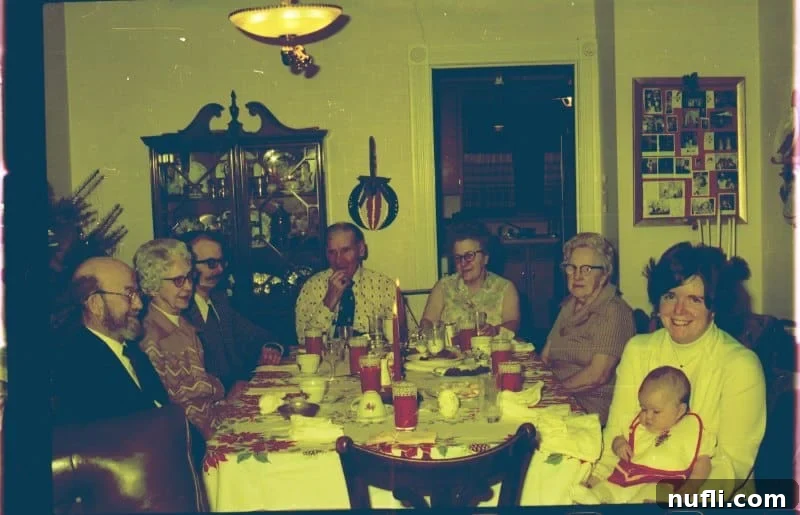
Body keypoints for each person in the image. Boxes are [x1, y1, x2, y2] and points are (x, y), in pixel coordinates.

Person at [594, 242, 765, 499]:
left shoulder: (741, 365)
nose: (678, 310)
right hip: (634, 486)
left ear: (714, 306)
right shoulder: (638, 350)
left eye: (695, 299)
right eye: (670, 296)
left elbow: (731, 466)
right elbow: (616, 434)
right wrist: (595, 483)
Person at [134, 239, 239, 439]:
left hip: (212, 423)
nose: (189, 287)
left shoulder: (183, 324)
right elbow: (171, 408)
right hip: (192, 439)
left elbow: (201, 386)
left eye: (189, 277)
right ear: (152, 286)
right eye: (178, 281)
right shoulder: (151, 336)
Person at [51, 257, 168, 425]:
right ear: (95, 304)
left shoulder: (133, 351)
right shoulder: (77, 364)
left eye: (137, 294)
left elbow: (163, 410)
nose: (139, 305)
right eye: (129, 294)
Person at [573, 366, 712, 504]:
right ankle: (590, 499)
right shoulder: (636, 425)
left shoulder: (691, 430)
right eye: (644, 408)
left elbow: (703, 462)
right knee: (605, 490)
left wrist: (692, 485)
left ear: (680, 410)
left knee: (657, 493)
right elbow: (618, 438)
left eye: (656, 411)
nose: (648, 416)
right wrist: (619, 444)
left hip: (660, 483)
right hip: (623, 480)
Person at [541, 233, 635, 425]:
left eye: (587, 269)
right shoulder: (569, 305)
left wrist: (552, 392)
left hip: (590, 407)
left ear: (604, 274)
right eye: (571, 268)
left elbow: (597, 376)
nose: (577, 276)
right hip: (561, 399)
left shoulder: (615, 311)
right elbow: (545, 357)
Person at [180, 231, 282, 391]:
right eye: (211, 263)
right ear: (189, 267)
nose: (220, 270)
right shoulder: (181, 311)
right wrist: (227, 389)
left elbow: (257, 336)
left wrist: (272, 348)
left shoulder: (219, 302)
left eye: (222, 262)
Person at [295, 222, 396, 343]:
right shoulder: (312, 287)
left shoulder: (384, 286)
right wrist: (328, 301)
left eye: (346, 250)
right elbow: (302, 341)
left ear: (361, 250)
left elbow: (403, 338)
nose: (338, 260)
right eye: (332, 252)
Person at [421, 221, 520, 336]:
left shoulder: (505, 288)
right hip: (451, 353)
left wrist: (495, 330)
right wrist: (433, 333)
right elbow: (426, 321)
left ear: (485, 258)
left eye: (469, 256)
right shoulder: (443, 287)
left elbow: (513, 324)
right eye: (458, 258)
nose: (463, 263)